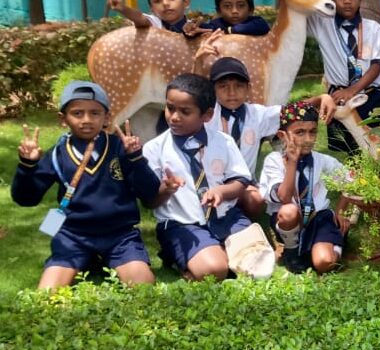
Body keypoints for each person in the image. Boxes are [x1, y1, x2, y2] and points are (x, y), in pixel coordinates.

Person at [12, 82, 160, 290]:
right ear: (63, 119)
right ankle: (86, 260)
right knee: (47, 294)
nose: (87, 120)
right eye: (77, 113)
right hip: (73, 236)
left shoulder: (120, 148)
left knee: (143, 286)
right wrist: (27, 166)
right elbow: (26, 199)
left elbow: (150, 192)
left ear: (107, 117)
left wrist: (136, 158)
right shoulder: (57, 154)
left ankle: (100, 260)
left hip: (119, 235)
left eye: (95, 113)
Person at [196, 51, 335, 219]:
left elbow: (290, 112)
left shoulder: (257, 115)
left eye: (239, 86)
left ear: (248, 88)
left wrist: (321, 98)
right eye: (223, 86)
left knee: (256, 200)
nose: (231, 92)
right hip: (212, 179)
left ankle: (242, 219)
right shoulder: (207, 115)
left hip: (242, 183)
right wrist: (198, 64)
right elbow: (192, 98)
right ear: (213, 89)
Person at [143, 73, 255, 281]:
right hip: (183, 224)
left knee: (258, 266)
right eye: (170, 108)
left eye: (185, 112)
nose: (174, 117)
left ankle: (211, 253)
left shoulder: (224, 142)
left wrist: (222, 191)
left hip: (226, 218)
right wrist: (166, 189)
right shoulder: (154, 149)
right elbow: (150, 202)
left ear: (207, 115)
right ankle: (180, 255)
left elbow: (240, 181)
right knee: (216, 270)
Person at [283, 0, 380, 154]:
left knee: (376, 149)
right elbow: (295, 3)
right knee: (344, 151)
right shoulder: (321, 23)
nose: (347, 1)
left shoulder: (373, 29)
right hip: (337, 100)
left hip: (369, 96)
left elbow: (376, 66)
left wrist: (352, 90)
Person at [259, 102, 352, 274]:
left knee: (324, 262)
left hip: (319, 218)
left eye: (313, 132)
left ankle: (336, 242)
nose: (308, 139)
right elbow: (284, 197)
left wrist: (341, 211)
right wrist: (292, 163)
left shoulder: (322, 160)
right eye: (300, 132)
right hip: (289, 222)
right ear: (282, 135)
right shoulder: (274, 160)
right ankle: (292, 250)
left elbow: (351, 182)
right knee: (289, 211)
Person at [192, 0, 271, 36]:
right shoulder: (216, 24)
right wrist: (192, 28)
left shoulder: (257, 23)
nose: (234, 11)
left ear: (250, 9)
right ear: (219, 11)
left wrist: (230, 30)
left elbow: (263, 27)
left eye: (241, 5)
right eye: (227, 6)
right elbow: (202, 28)